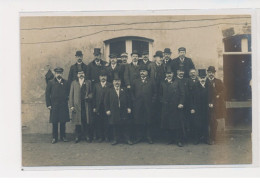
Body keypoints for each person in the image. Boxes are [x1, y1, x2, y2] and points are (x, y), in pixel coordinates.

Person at [104, 73, 133, 145]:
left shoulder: (124, 90)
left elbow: (129, 99)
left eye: (118, 81)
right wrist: (107, 109)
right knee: (115, 125)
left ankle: (127, 139)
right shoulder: (109, 90)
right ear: (113, 82)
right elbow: (106, 101)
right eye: (115, 81)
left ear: (120, 82)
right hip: (114, 110)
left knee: (125, 125)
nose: (117, 82)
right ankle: (115, 139)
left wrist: (129, 107)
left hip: (123, 110)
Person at [160, 67, 185, 147]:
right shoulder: (162, 83)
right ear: (165, 75)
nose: (169, 75)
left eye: (170, 74)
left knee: (177, 124)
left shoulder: (177, 82)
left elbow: (182, 94)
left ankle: (179, 140)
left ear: (173, 74)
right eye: (167, 74)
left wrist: (181, 103)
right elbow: (160, 95)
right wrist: (163, 101)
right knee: (168, 124)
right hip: (166, 107)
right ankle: (170, 139)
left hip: (176, 106)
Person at [131, 65, 156, 144]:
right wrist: (134, 101)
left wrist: (152, 101)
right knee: (138, 120)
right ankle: (139, 137)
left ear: (147, 73)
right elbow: (132, 92)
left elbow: (155, 92)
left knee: (148, 121)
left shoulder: (151, 81)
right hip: (138, 104)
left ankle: (149, 137)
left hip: (148, 104)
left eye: (144, 71)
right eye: (141, 71)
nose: (142, 73)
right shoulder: (135, 81)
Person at [45, 67, 70, 144]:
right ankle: (54, 137)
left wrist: (67, 100)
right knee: (54, 122)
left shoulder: (66, 82)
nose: (59, 74)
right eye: (57, 73)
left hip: (63, 105)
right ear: (55, 74)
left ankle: (63, 136)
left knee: (63, 122)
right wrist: (48, 105)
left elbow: (69, 93)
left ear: (62, 74)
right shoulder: (51, 82)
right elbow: (47, 94)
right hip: (54, 105)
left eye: (60, 73)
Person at [189, 69, 212, 145]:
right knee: (197, 124)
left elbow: (212, 96)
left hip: (206, 108)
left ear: (206, 77)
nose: (202, 79)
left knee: (206, 123)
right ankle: (197, 139)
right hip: (197, 108)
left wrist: (211, 103)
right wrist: (192, 107)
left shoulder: (209, 86)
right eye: (201, 78)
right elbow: (191, 98)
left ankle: (206, 139)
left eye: (204, 77)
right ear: (198, 78)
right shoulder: (195, 86)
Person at [69, 70, 93, 143]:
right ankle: (77, 136)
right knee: (77, 122)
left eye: (82, 73)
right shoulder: (74, 83)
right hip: (77, 105)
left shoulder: (88, 82)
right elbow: (71, 95)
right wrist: (71, 105)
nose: (81, 75)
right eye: (79, 73)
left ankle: (87, 136)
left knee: (86, 120)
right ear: (77, 75)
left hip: (85, 105)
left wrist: (89, 96)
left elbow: (91, 92)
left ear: (84, 74)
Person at [148, 50, 165, 139]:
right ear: (155, 58)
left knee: (160, 113)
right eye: (159, 57)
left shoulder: (164, 66)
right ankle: (152, 135)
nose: (161, 59)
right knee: (152, 113)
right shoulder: (151, 66)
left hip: (161, 92)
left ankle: (160, 135)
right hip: (152, 92)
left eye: (162, 57)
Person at [206, 66, 225, 145]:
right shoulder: (204, 81)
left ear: (214, 73)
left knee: (213, 122)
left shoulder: (218, 81)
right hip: (205, 105)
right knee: (206, 122)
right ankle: (206, 137)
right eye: (209, 72)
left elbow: (223, 90)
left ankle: (212, 138)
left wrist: (219, 95)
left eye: (212, 73)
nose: (211, 74)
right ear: (207, 73)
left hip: (215, 105)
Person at [92, 70, 112, 142]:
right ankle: (101, 136)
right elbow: (94, 97)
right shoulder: (96, 85)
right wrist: (94, 107)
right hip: (98, 107)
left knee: (107, 122)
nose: (103, 78)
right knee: (99, 122)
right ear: (99, 77)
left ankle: (107, 136)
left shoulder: (110, 85)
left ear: (106, 77)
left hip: (107, 107)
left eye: (104, 76)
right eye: (101, 76)